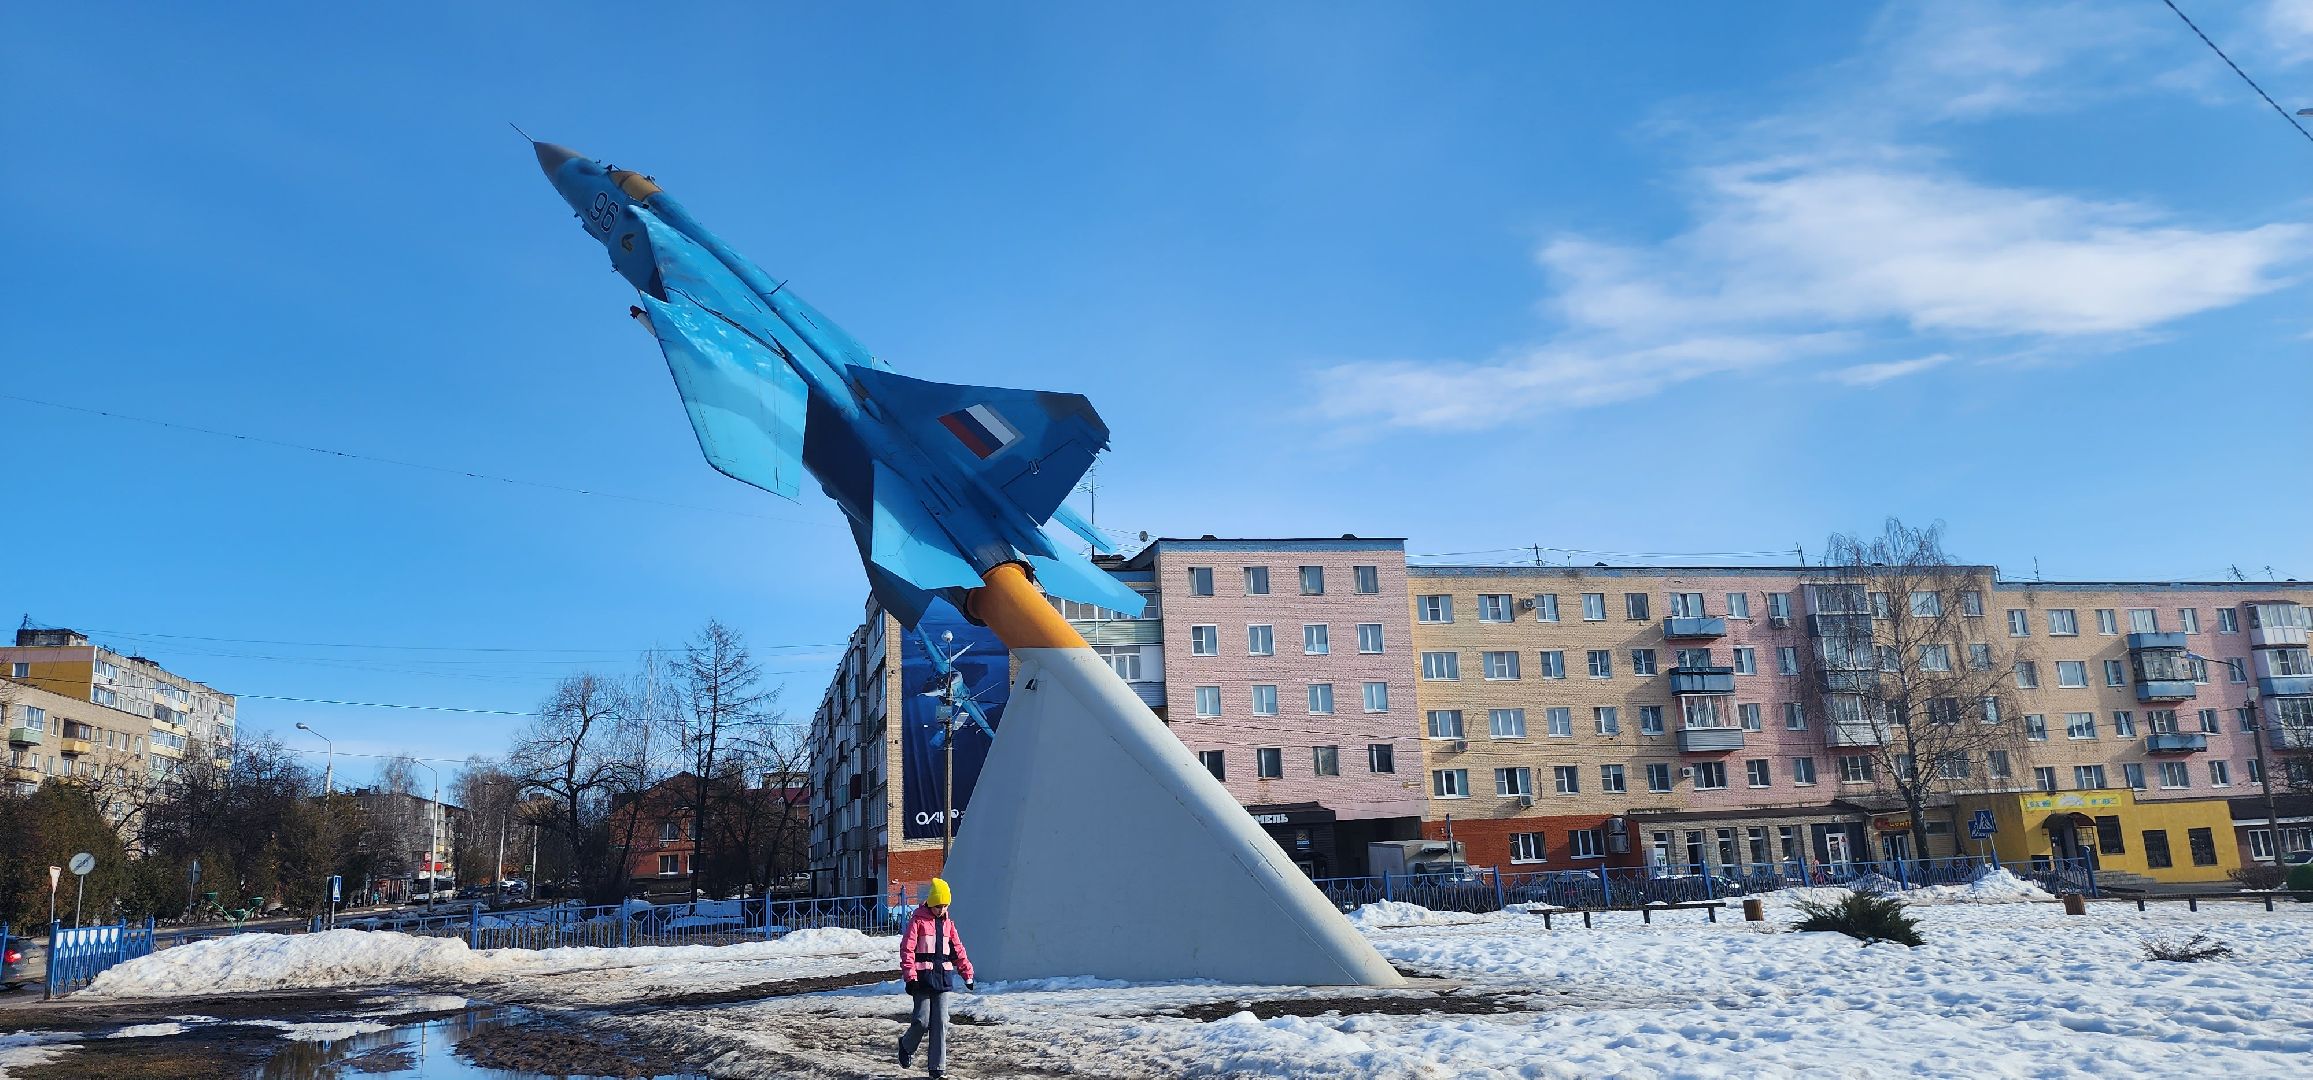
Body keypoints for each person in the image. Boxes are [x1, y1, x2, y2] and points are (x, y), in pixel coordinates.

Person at [898, 877, 974, 1079]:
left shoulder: (948, 924)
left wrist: (967, 973)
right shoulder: (918, 921)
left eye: (945, 906)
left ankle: (937, 1068)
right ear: (931, 902)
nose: (941, 909)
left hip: (942, 979)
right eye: (938, 905)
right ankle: (906, 1046)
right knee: (922, 1021)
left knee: (941, 1022)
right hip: (921, 980)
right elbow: (907, 950)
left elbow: (958, 951)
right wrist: (910, 977)